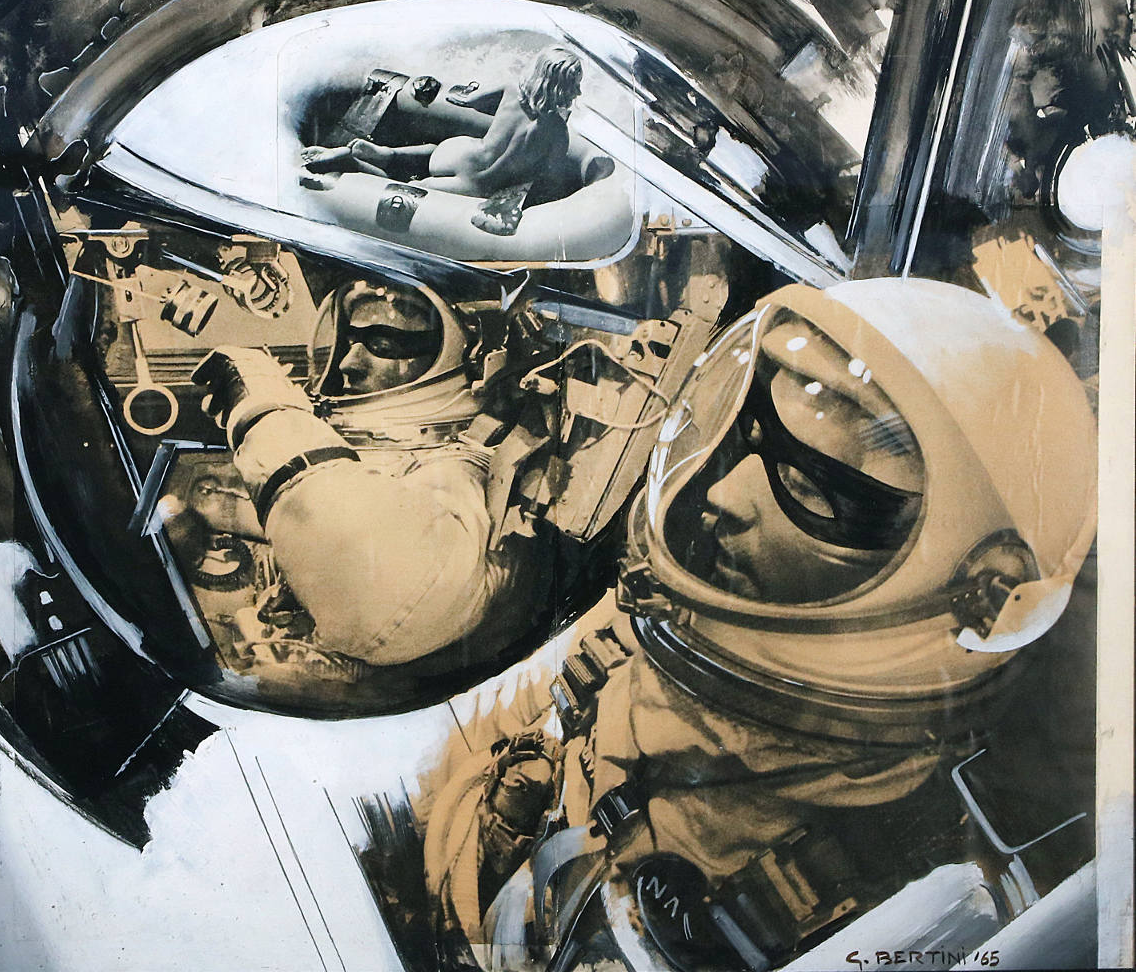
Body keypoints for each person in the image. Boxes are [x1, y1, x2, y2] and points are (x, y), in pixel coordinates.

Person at [417, 277, 1098, 969]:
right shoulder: (655, 613)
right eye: (751, 442)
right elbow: (448, 755)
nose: (723, 494)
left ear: (984, 589)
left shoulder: (931, 903)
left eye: (811, 486)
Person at [190, 281, 537, 668]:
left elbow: (396, 606)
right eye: (349, 341)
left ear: (467, 358)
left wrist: (267, 416)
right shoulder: (350, 465)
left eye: (384, 344)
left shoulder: (469, 469)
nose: (347, 363)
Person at [301, 46, 586, 233]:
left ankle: (386, 153)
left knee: (433, 151)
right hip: (474, 185)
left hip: (460, 153)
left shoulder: (510, 90)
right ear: (567, 89)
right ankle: (351, 162)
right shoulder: (558, 133)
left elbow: (470, 101)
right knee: (411, 190)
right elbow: (550, 182)